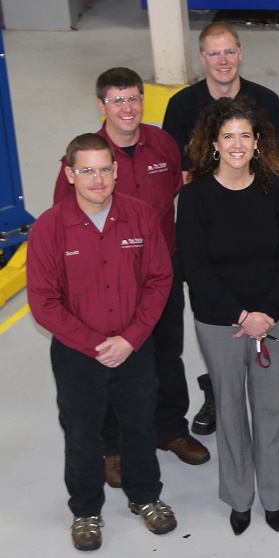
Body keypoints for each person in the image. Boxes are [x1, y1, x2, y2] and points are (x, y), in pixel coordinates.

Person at [53, 67, 208, 488]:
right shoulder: (88, 159)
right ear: (101, 105)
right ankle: (112, 448)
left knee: (166, 353)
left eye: (134, 98)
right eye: (117, 100)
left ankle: (171, 429)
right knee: (109, 359)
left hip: (163, 268)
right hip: (109, 278)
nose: (128, 108)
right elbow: (63, 226)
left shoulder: (163, 144)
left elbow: (182, 189)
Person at [30, 133, 178, 551]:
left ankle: (146, 497)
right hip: (78, 354)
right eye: (87, 170)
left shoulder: (140, 216)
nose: (97, 179)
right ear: (69, 174)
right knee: (81, 433)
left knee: (138, 426)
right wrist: (97, 344)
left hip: (134, 348)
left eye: (105, 169)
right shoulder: (49, 228)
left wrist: (130, 339)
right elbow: (44, 302)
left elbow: (158, 280)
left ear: (116, 171)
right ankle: (86, 511)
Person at [161, 21, 279, 435]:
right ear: (201, 58)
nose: (223, 61)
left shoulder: (266, 100)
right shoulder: (182, 105)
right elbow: (178, 167)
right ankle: (215, 392)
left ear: (240, 53)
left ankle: (277, 389)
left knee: (267, 303)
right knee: (216, 323)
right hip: (208, 216)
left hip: (254, 208)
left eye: (229, 52)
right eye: (213, 53)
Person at [176, 97, 279, 536]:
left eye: (245, 135)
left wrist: (266, 313)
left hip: (273, 320)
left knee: (269, 410)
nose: (236, 144)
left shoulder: (276, 186)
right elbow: (195, 266)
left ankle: (273, 496)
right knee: (229, 412)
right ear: (212, 144)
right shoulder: (193, 197)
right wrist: (241, 315)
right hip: (220, 323)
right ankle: (239, 498)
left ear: (257, 142)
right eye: (227, 136)